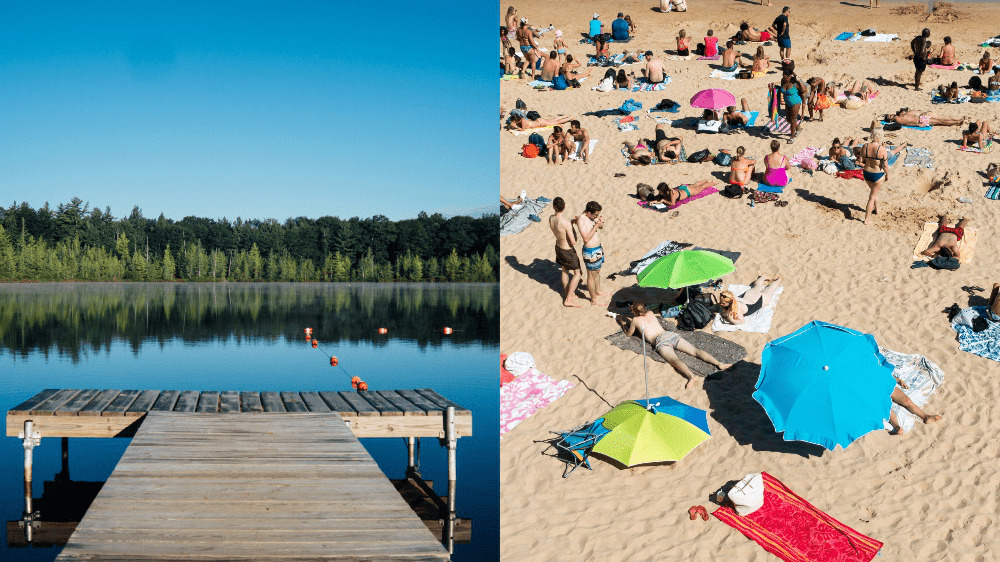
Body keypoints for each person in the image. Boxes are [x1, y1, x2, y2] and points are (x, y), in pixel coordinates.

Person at [614, 302, 732, 388]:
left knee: (674, 360)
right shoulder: (650, 313)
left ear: (633, 312)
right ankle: (719, 363)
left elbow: (629, 334)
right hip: (669, 334)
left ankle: (691, 376)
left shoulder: (635, 320)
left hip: (660, 341)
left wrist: (623, 324)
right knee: (695, 351)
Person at [549, 197, 583, 308]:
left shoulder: (551, 219)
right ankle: (568, 298)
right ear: (564, 207)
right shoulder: (565, 223)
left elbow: (559, 231)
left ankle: (568, 293)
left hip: (558, 247)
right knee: (577, 273)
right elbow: (573, 242)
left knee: (564, 270)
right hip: (567, 250)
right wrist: (572, 226)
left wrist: (570, 224)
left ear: (554, 207)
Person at [574, 201, 607, 305]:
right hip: (590, 251)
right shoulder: (581, 220)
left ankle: (598, 291)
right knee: (591, 275)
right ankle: (593, 299)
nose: (596, 216)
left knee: (597, 272)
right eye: (595, 214)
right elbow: (586, 238)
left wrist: (601, 222)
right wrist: (596, 225)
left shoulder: (591, 217)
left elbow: (601, 227)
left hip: (598, 249)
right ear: (589, 212)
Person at [717, 276, 783, 324]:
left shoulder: (737, 309)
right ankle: (763, 277)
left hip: (758, 300)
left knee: (769, 289)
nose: (721, 304)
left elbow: (742, 321)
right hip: (749, 296)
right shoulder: (733, 299)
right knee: (758, 286)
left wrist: (732, 320)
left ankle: (778, 280)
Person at [858, 128, 889, 225]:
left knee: (874, 192)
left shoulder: (865, 146)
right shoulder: (882, 149)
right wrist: (887, 175)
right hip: (877, 174)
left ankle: (877, 209)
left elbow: (860, 160)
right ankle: (867, 218)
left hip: (866, 173)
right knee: (872, 196)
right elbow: (885, 165)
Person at [779, 70, 805, 141]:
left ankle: (792, 137)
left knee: (793, 119)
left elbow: (803, 90)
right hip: (787, 102)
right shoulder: (783, 81)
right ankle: (798, 128)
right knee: (788, 119)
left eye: (786, 78)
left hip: (795, 102)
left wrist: (799, 81)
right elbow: (781, 89)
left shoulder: (795, 82)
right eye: (783, 78)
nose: (785, 80)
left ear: (790, 76)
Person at [884, 109, 964, 127]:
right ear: (890, 120)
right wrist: (918, 124)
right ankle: (957, 122)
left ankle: (958, 120)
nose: (892, 115)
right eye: (890, 116)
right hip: (921, 120)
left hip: (921, 119)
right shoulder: (898, 119)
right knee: (940, 120)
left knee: (940, 120)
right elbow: (908, 123)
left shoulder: (899, 117)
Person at [506, 114, 573, 131]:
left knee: (556, 122)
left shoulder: (523, 121)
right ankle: (565, 116)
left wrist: (516, 127)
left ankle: (569, 118)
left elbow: (523, 129)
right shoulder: (521, 119)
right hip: (539, 121)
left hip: (541, 123)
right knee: (553, 120)